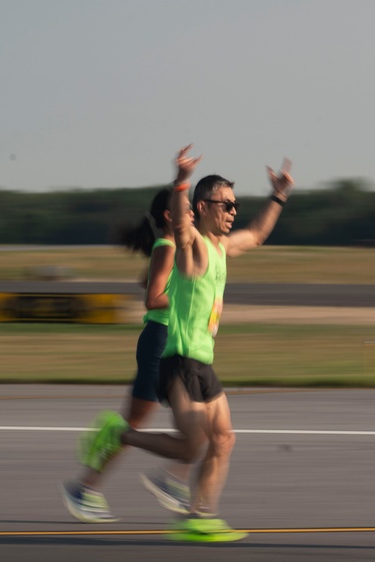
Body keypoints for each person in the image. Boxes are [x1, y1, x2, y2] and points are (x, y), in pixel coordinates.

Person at [78, 144, 294, 542]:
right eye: (226, 205)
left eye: (235, 206)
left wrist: (278, 195)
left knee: (224, 440)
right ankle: (118, 434)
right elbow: (179, 224)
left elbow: (260, 235)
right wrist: (180, 183)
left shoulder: (224, 247)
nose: (232, 212)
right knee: (191, 446)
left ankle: (200, 515)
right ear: (204, 207)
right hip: (177, 362)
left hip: (204, 362)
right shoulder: (190, 245)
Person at [60, 188, 194, 523]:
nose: (192, 212)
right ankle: (84, 487)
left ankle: (173, 480)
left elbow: (147, 280)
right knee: (134, 424)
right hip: (159, 341)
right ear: (169, 216)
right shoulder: (167, 247)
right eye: (187, 208)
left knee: (197, 424)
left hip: (173, 341)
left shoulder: (173, 248)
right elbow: (152, 298)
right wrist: (190, 300)